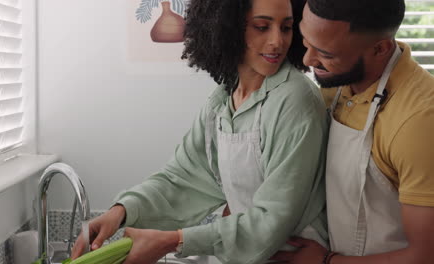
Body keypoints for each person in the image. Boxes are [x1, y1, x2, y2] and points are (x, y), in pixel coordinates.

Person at [72, 0, 329, 263]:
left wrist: (173, 241)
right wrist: (121, 211)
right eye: (261, 27)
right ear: (225, 28)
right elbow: (182, 179)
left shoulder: (296, 101)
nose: (277, 41)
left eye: (286, 28)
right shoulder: (222, 101)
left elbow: (272, 219)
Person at [273, 0, 434, 263]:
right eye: (305, 40)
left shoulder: (420, 122)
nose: (307, 59)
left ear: (380, 49)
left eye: (325, 53)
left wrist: (327, 261)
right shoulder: (335, 82)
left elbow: (426, 255)